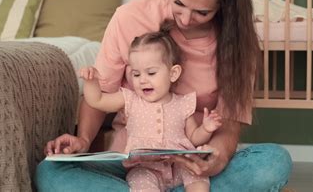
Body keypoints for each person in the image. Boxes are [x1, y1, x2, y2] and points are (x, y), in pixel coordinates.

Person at [35, 0, 292, 191]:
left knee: (273, 162)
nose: (186, 19)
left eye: (202, 12)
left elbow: (230, 121)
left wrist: (217, 161)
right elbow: (99, 94)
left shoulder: (237, 42)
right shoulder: (131, 17)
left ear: (223, 7)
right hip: (132, 163)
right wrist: (83, 139)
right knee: (50, 173)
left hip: (193, 163)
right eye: (178, 3)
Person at [78, 24, 222, 192]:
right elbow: (98, 100)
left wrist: (206, 128)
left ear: (173, 73)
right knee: (140, 180)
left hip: (179, 165)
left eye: (151, 73)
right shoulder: (130, 99)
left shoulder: (183, 104)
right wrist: (91, 82)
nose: (142, 80)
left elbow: (194, 138)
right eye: (136, 74)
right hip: (145, 168)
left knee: (197, 175)